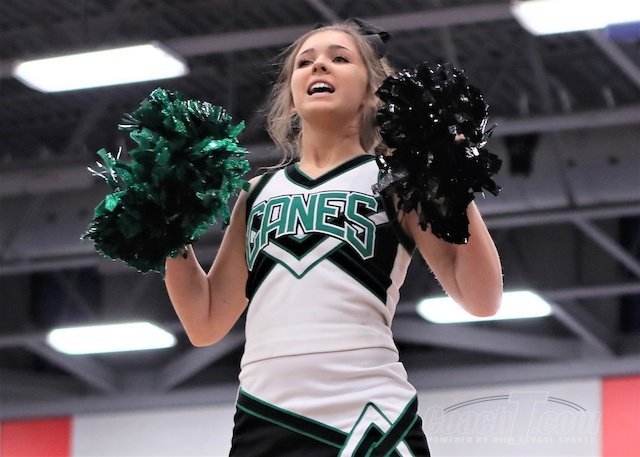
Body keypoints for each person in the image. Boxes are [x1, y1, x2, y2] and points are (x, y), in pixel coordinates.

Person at [164, 19, 503, 457]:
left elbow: (482, 298)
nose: (319, 65)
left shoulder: (397, 181)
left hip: (370, 416)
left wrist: (451, 173)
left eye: (339, 58)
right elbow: (205, 322)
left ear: (371, 92)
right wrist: (167, 228)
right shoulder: (257, 192)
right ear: (290, 97)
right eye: (305, 62)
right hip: (265, 415)